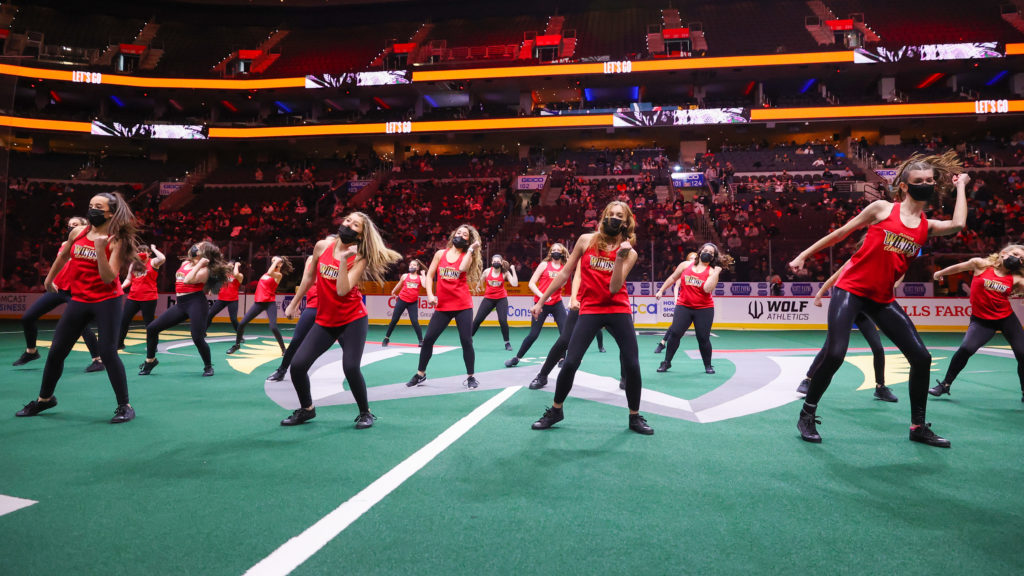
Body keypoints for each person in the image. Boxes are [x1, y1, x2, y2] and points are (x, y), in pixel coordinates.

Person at [788, 151, 969, 447]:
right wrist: (803, 255)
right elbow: (841, 233)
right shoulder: (882, 209)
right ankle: (807, 413)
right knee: (835, 354)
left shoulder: (928, 226)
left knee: (921, 358)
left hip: (882, 299)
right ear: (905, 186)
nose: (926, 184)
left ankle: (918, 427)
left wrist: (961, 185)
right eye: (919, 180)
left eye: (930, 180)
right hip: (850, 291)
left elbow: (959, 224)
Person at [530, 201, 654, 435]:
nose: (614, 218)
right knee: (570, 362)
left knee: (632, 364)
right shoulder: (586, 240)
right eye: (611, 214)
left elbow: (615, 288)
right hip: (590, 309)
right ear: (604, 215)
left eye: (620, 215)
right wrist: (540, 300)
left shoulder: (630, 252)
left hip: (618, 308)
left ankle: (634, 417)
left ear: (626, 223)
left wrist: (619, 258)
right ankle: (556, 410)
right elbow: (566, 272)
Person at [16, 192, 140, 423]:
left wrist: (101, 248)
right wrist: (48, 278)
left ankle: (125, 405)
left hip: (107, 300)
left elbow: (108, 277)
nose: (92, 209)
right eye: (91, 204)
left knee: (108, 352)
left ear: (110, 213)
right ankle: (45, 399)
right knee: (56, 352)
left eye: (98, 206)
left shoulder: (117, 239)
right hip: (80, 299)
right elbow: (63, 256)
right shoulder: (78, 232)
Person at [282, 213, 401, 427]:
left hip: (352, 319)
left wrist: (345, 259)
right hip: (326, 319)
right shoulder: (321, 246)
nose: (349, 225)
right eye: (348, 221)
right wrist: (293, 303)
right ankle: (307, 409)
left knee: (351, 367)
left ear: (361, 234)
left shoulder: (360, 256)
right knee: (298, 366)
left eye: (356, 225)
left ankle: (365, 412)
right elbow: (310, 277)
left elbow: (342, 289)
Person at [930, 245, 1024, 401]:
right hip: (982, 321)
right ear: (1004, 253)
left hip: (1006, 319)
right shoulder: (979, 264)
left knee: (1022, 354)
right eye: (1015, 254)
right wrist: (939, 274)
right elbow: (957, 268)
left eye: (1021, 259)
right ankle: (945, 385)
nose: (1017, 259)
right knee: (966, 349)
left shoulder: (1017, 279)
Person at [796, 259, 899, 402]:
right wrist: (819, 294)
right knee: (829, 348)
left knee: (878, 348)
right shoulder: (854, 261)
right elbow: (833, 278)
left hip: (863, 311)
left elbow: (894, 283)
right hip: (846, 308)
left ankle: (880, 387)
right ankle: (808, 380)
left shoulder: (879, 264)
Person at [14, 216, 104, 373]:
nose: (71, 228)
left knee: (82, 326)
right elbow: (61, 265)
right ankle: (31, 352)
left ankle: (98, 360)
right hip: (58, 288)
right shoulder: (64, 245)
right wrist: (51, 280)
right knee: (28, 317)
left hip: (76, 291)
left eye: (75, 225)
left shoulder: (89, 246)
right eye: (69, 225)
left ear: (84, 227)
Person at [405, 224, 483, 389]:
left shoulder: (467, 255)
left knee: (466, 341)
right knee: (428, 340)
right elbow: (430, 276)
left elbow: (462, 268)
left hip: (462, 305)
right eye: (459, 232)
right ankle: (421, 374)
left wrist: (470, 250)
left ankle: (470, 377)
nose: (460, 235)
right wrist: (430, 295)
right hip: (443, 305)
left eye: (465, 235)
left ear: (469, 240)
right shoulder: (441, 254)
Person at [138, 242, 231, 377]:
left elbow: (187, 280)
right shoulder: (185, 263)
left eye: (199, 246)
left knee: (197, 337)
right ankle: (150, 361)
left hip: (196, 303)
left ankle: (208, 366)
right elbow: (180, 282)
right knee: (152, 328)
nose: (195, 247)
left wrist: (199, 264)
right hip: (181, 303)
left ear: (204, 253)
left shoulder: (205, 270)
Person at [527, 253, 613, 390]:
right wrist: (573, 298)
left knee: (626, 343)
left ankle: (625, 378)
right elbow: (575, 276)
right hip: (584, 303)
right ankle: (542, 375)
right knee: (564, 341)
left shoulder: (621, 252)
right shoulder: (587, 248)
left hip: (611, 304)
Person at [653, 245, 729, 374]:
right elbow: (672, 278)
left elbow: (707, 289)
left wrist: (716, 272)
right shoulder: (685, 265)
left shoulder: (712, 271)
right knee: (675, 333)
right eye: (705, 250)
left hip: (704, 309)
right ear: (700, 251)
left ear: (713, 257)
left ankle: (708, 365)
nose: (707, 253)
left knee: (703, 338)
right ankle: (666, 362)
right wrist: (661, 290)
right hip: (684, 306)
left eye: (710, 252)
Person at [505, 244, 568, 367]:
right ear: (550, 253)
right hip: (540, 304)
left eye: (558, 250)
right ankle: (517, 358)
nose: (555, 252)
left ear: (562, 253)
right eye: (553, 250)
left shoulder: (564, 268)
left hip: (557, 303)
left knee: (565, 333)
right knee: (533, 334)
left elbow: (562, 284)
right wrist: (543, 295)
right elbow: (531, 284)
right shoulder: (544, 265)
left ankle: (562, 359)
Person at [227, 257, 294, 355]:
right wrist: (276, 261)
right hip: (258, 303)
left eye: (276, 261)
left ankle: (284, 349)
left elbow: (271, 272)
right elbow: (269, 273)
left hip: (269, 303)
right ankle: (237, 345)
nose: (273, 261)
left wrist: (277, 261)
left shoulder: (278, 275)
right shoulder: (266, 274)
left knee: (273, 327)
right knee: (241, 324)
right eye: (273, 260)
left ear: (280, 264)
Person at [267, 255, 318, 382]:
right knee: (296, 339)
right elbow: (305, 282)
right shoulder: (311, 259)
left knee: (344, 340)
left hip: (331, 308)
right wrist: (296, 303)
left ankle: (352, 373)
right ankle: (282, 370)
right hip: (313, 305)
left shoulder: (336, 260)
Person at [118, 244, 165, 350]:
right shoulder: (134, 263)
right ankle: (119, 343)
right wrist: (121, 287)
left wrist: (153, 248)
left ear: (149, 253)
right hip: (133, 297)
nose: (141, 253)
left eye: (144, 251)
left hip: (149, 298)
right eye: (139, 251)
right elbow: (129, 279)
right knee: (124, 320)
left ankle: (152, 346)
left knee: (149, 324)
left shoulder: (153, 262)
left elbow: (162, 258)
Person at [472, 254, 519, 351]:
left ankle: (507, 343)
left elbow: (515, 284)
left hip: (501, 299)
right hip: (488, 299)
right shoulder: (487, 271)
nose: (496, 262)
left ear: (501, 263)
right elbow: (481, 281)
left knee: (502, 321)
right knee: (477, 320)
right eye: (494, 261)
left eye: (498, 261)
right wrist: (478, 287)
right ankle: (468, 340)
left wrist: (513, 270)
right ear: (491, 262)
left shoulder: (505, 272)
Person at [654, 252, 696, 354]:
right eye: (690, 258)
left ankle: (662, 343)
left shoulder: (701, 272)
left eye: (695, 258)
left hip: (697, 305)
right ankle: (663, 343)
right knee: (676, 325)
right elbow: (676, 286)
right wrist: (676, 298)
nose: (692, 260)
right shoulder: (684, 270)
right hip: (684, 303)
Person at [382, 259, 426, 347]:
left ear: (417, 268)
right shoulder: (405, 276)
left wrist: (424, 275)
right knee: (394, 320)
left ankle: (421, 341)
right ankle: (386, 338)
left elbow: (424, 285)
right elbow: (399, 284)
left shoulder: (420, 278)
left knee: (414, 321)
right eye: (410, 265)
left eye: (414, 265)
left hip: (412, 302)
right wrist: (393, 291)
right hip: (402, 300)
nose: (411, 266)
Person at [207, 261, 244, 333]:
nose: (229, 266)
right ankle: (202, 332)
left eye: (231, 265)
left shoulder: (239, 276)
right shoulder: (224, 275)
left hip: (233, 300)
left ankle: (240, 335)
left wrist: (236, 265)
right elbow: (217, 283)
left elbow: (236, 273)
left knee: (233, 319)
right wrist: (212, 289)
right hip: (221, 299)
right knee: (209, 314)